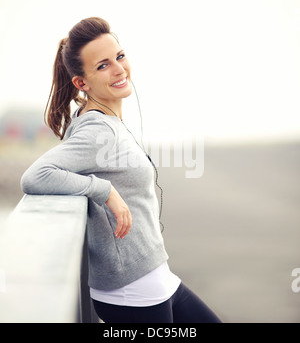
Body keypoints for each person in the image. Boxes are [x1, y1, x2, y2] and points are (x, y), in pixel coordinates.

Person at [20, 17, 221, 323]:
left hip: (157, 275)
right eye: (102, 65)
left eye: (120, 56)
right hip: (134, 292)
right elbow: (35, 176)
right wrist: (105, 191)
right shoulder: (98, 129)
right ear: (81, 83)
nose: (118, 69)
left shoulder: (107, 119)